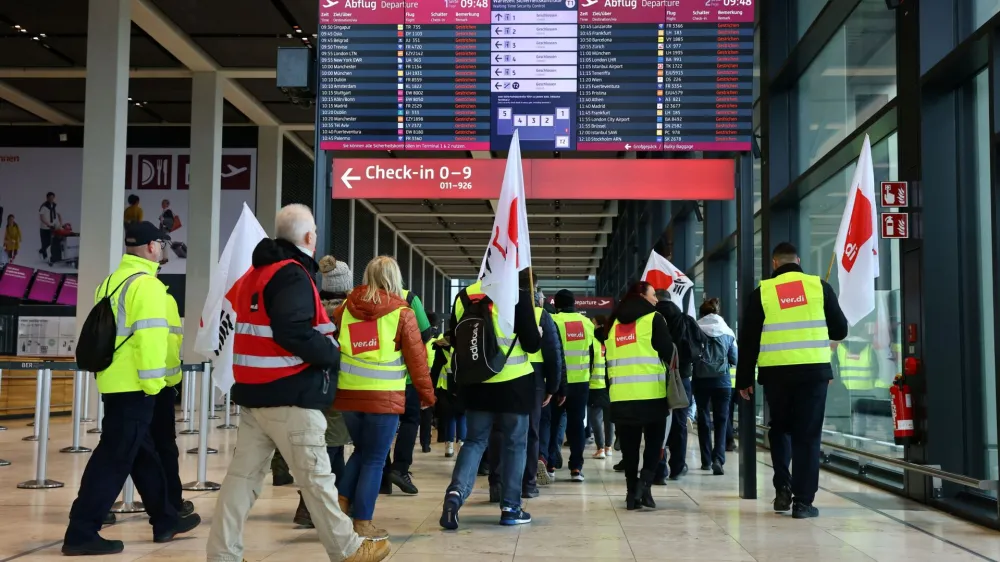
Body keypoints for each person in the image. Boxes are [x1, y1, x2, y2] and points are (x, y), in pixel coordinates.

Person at [207, 205, 388, 562]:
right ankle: (348, 549)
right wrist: (331, 353)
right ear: (308, 237)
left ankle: (222, 553)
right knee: (316, 478)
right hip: (289, 394)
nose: (316, 238)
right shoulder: (291, 275)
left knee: (242, 480)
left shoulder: (253, 275)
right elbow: (292, 331)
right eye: (316, 233)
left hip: (255, 394)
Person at [62, 221, 200, 556]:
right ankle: (81, 531)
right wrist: (156, 386)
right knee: (113, 458)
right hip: (136, 387)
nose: (163, 250)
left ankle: (166, 518)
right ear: (153, 247)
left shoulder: (112, 281)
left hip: (113, 381)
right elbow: (150, 341)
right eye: (162, 245)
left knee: (141, 454)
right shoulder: (148, 287)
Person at [736, 242, 848, 520]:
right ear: (798, 260)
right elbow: (840, 330)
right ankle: (803, 502)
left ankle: (782, 487)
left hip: (776, 375)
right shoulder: (818, 287)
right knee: (808, 436)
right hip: (813, 374)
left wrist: (744, 379)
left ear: (775, 264)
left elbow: (748, 340)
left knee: (780, 428)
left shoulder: (763, 292)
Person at [332, 256, 435, 540]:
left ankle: (340, 505)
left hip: (349, 395)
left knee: (363, 451)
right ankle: (362, 521)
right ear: (395, 278)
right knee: (375, 458)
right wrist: (426, 395)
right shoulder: (402, 313)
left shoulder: (344, 309)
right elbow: (418, 360)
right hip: (383, 397)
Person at [439, 272, 542, 529]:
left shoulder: (465, 295)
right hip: (514, 384)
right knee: (515, 445)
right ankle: (510, 507)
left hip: (476, 382)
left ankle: (454, 497)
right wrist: (536, 331)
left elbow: (456, 336)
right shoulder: (517, 294)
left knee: (474, 442)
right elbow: (531, 344)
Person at [293, 255, 355, 529]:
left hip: (312, 384)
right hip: (339, 385)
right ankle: (312, 507)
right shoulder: (349, 312)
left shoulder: (311, 306)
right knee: (332, 448)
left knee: (326, 446)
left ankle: (332, 503)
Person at [601, 282, 674, 511]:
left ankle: (632, 492)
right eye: (653, 295)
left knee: (630, 447)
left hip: (621, 394)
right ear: (642, 296)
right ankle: (645, 485)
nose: (655, 300)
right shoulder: (654, 320)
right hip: (651, 393)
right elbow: (668, 352)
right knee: (654, 443)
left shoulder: (612, 324)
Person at [489, 286, 563, 499]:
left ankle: (497, 484)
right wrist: (553, 386)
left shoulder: (494, 308)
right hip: (533, 378)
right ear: (536, 296)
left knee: (499, 431)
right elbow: (553, 352)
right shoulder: (540, 314)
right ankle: (527, 484)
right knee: (530, 433)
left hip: (499, 376)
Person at [380, 288, 432, 495]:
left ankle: (382, 475)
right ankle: (400, 468)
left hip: (376, 376)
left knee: (381, 423)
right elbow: (426, 332)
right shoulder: (408, 297)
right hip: (405, 373)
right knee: (410, 419)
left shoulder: (361, 298)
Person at [652, 296, 703, 483]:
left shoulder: (653, 321)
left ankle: (659, 467)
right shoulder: (684, 320)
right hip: (682, 379)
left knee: (658, 424)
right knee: (679, 424)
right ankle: (678, 466)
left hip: (658, 377)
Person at [549, 289, 595, 482]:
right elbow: (591, 353)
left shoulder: (552, 321)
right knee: (577, 426)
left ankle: (550, 464)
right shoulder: (587, 323)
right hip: (580, 383)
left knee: (553, 423)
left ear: (556, 305)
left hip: (558, 382)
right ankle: (576, 468)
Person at [693, 298, 737, 475]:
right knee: (721, 419)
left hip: (700, 379)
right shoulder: (727, 331)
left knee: (703, 418)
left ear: (701, 313)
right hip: (722, 382)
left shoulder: (695, 328)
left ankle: (706, 461)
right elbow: (734, 358)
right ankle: (718, 458)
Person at [430, 335, 464, 457]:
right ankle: (461, 445)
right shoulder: (464, 345)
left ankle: (448, 446)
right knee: (461, 417)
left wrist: (431, 389)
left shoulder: (441, 350)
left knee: (450, 418)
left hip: (446, 388)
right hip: (462, 387)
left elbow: (435, 370)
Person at [588, 314, 613, 459]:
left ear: (598, 324)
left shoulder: (593, 341)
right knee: (609, 417)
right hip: (611, 384)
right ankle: (608, 447)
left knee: (595, 417)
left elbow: (589, 363)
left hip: (595, 384)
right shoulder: (611, 339)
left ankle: (600, 448)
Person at [38, 191, 62, 263]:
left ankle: (53, 257)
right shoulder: (44, 206)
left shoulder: (55, 206)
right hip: (45, 228)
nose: (51, 199)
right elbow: (41, 217)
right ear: (47, 198)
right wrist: (47, 224)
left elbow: (59, 215)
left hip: (53, 227)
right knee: (45, 243)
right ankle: (43, 252)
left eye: (52, 198)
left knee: (53, 242)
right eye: (50, 198)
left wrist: (60, 224)